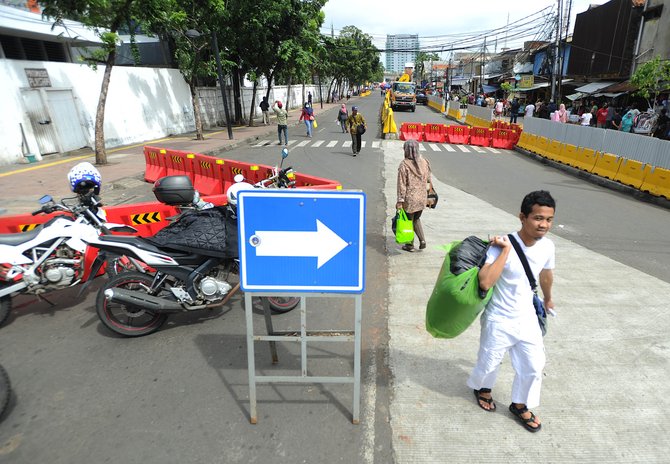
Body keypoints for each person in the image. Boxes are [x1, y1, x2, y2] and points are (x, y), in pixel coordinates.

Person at [467, 190, 556, 433]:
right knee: (489, 362)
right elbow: (485, 281)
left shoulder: (547, 246)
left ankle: (519, 404)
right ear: (522, 217)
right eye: (538, 218)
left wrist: (548, 299)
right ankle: (482, 389)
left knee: (534, 365)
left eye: (548, 219)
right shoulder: (500, 245)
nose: (544, 225)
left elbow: (546, 274)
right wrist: (505, 251)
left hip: (527, 318)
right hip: (499, 317)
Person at [395, 139, 433, 252]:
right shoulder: (425, 162)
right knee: (416, 218)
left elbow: (402, 184)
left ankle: (410, 245)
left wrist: (400, 201)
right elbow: (429, 180)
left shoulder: (404, 164)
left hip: (410, 199)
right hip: (422, 197)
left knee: (408, 221)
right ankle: (422, 240)